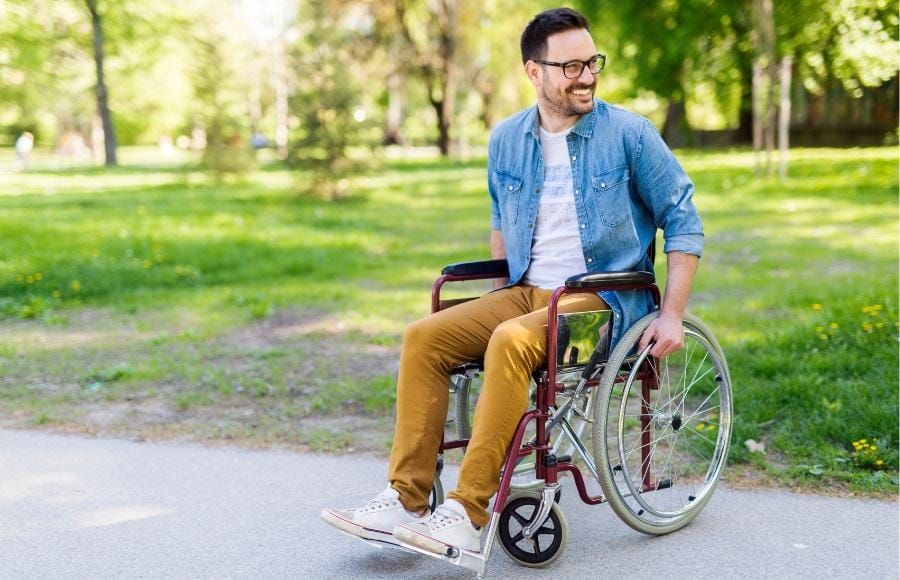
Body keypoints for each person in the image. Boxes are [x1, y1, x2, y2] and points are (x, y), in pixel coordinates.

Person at [320, 6, 703, 557]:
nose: (588, 75)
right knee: (423, 337)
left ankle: (466, 512)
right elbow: (502, 226)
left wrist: (670, 315)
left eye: (592, 62)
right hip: (528, 293)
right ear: (534, 72)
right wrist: (498, 295)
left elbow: (684, 221)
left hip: (602, 300)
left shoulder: (629, 135)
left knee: (511, 340)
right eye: (570, 67)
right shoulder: (506, 140)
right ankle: (406, 498)